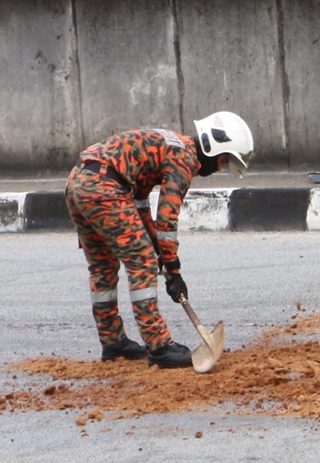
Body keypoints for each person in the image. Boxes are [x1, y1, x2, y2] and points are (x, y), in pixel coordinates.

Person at [67, 112, 254, 367]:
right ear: (213, 148)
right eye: (224, 161)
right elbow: (167, 219)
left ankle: (112, 342)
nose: (221, 168)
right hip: (104, 187)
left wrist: (157, 247)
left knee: (103, 267)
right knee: (142, 262)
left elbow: (140, 202)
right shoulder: (184, 158)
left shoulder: (171, 144)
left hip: (80, 181)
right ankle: (159, 346)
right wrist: (173, 270)